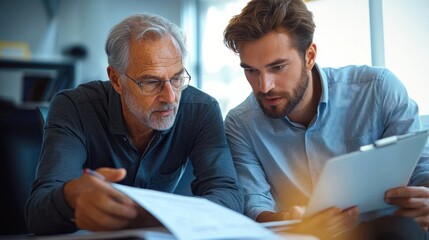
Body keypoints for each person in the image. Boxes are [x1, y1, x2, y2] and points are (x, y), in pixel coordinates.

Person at [223, 0, 429, 239]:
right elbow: (255, 205)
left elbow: (422, 169)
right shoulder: (241, 123)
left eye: (277, 67)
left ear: (309, 56)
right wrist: (292, 222)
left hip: (389, 230)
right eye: (251, 70)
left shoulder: (378, 90)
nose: (264, 86)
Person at [26, 13, 243, 235]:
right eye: (151, 82)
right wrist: (73, 196)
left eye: (177, 78)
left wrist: (158, 216)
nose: (170, 97)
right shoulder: (74, 108)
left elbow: (228, 195)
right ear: (116, 80)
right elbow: (38, 213)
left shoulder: (202, 110)